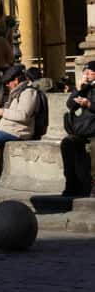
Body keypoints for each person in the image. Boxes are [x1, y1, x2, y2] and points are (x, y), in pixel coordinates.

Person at [0, 64, 38, 188]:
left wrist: (2, 112)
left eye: (8, 82)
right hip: (8, 128)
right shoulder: (17, 92)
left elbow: (23, 115)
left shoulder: (28, 92)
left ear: (16, 80)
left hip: (18, 131)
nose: (7, 85)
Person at [60, 60, 95, 197]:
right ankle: (71, 182)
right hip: (85, 128)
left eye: (90, 72)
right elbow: (70, 105)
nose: (87, 75)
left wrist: (89, 104)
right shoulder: (86, 88)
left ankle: (93, 185)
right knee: (67, 143)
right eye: (86, 72)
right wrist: (78, 90)